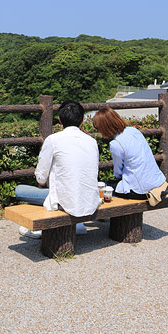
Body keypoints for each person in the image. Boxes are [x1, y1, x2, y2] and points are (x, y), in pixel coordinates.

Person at [15, 100, 102, 238]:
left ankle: (42, 229)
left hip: (64, 200)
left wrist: (43, 184)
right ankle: (78, 225)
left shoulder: (53, 140)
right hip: (90, 199)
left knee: (20, 190)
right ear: (82, 120)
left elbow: (41, 177)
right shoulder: (92, 141)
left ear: (60, 120)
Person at [92, 107, 167, 200]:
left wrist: (118, 177)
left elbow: (118, 172)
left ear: (105, 127)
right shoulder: (133, 131)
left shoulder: (116, 144)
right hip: (157, 182)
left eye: (99, 128)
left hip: (141, 190)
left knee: (104, 187)